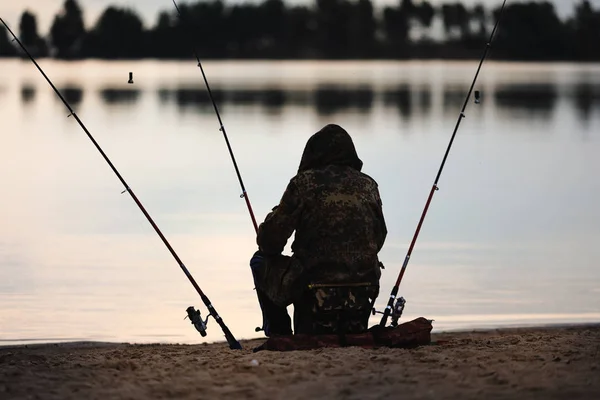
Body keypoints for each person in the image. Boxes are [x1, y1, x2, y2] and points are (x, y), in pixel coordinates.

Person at [250, 124, 387, 336]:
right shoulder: (369, 186)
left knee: (260, 261)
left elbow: (269, 242)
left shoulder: (303, 184)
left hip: (314, 292)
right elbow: (379, 238)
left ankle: (280, 333)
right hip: (362, 291)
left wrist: (275, 217)